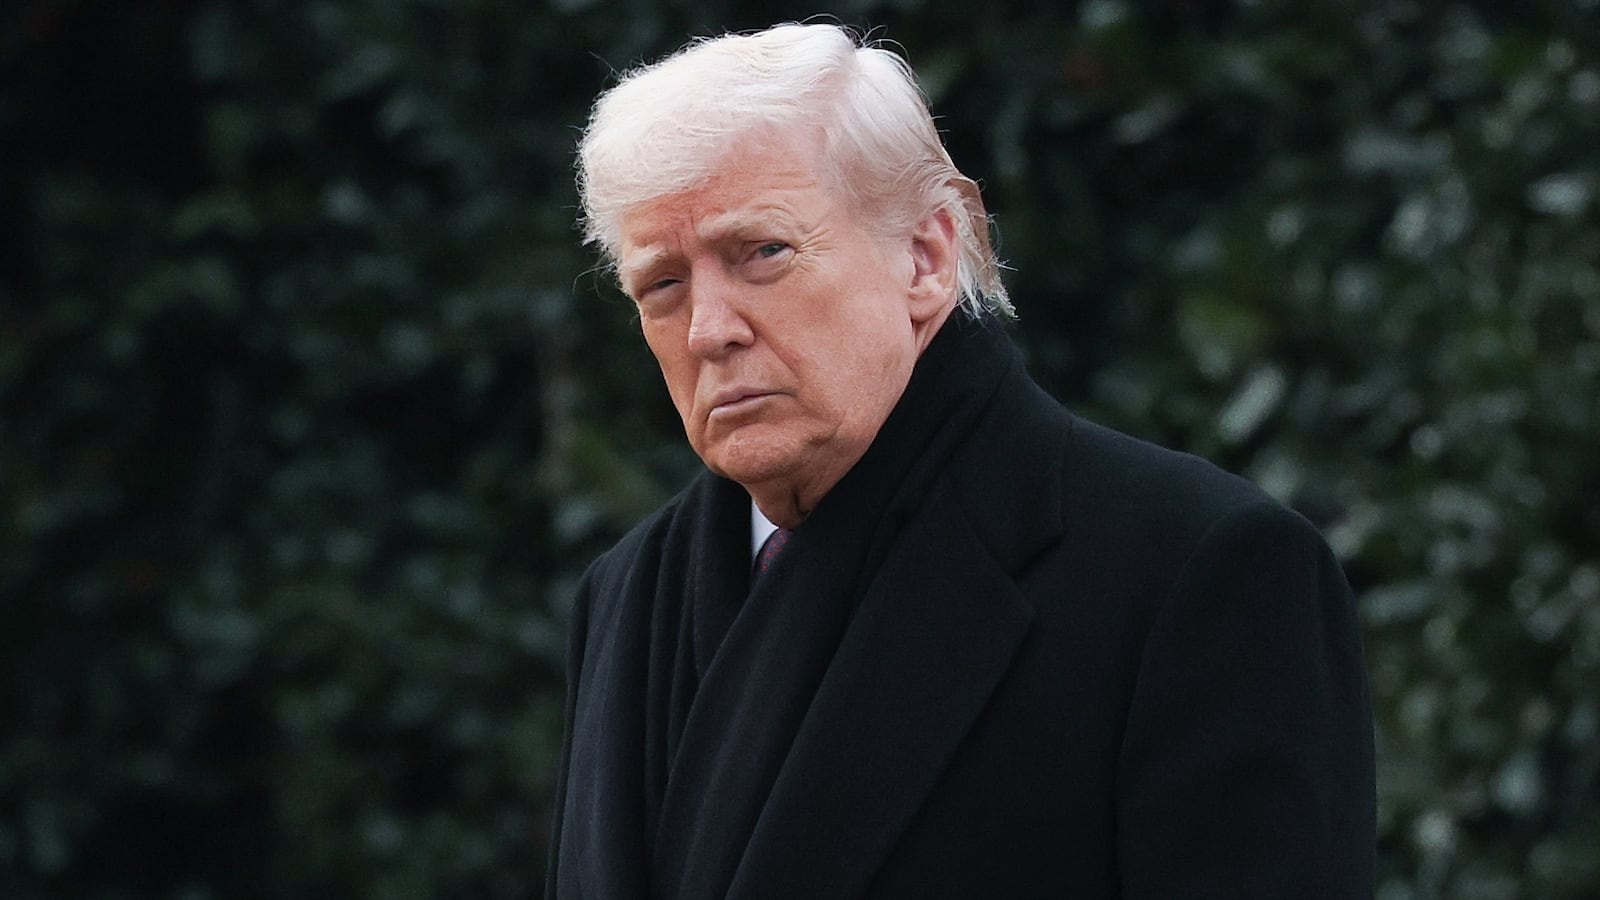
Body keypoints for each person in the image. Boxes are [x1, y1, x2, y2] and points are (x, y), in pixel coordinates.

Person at [546, 22, 1375, 900]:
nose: (710, 328)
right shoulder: (625, 592)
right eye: (663, 286)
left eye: (763, 253)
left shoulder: (1198, 570)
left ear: (927, 255)